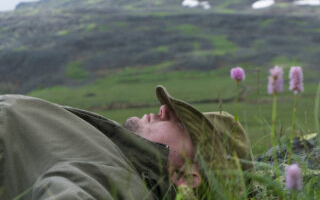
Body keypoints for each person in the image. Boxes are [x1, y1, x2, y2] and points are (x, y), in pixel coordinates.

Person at [0, 85, 252, 199]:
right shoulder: (120, 156)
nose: (163, 110)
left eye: (181, 124)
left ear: (187, 178)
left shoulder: (119, 178)